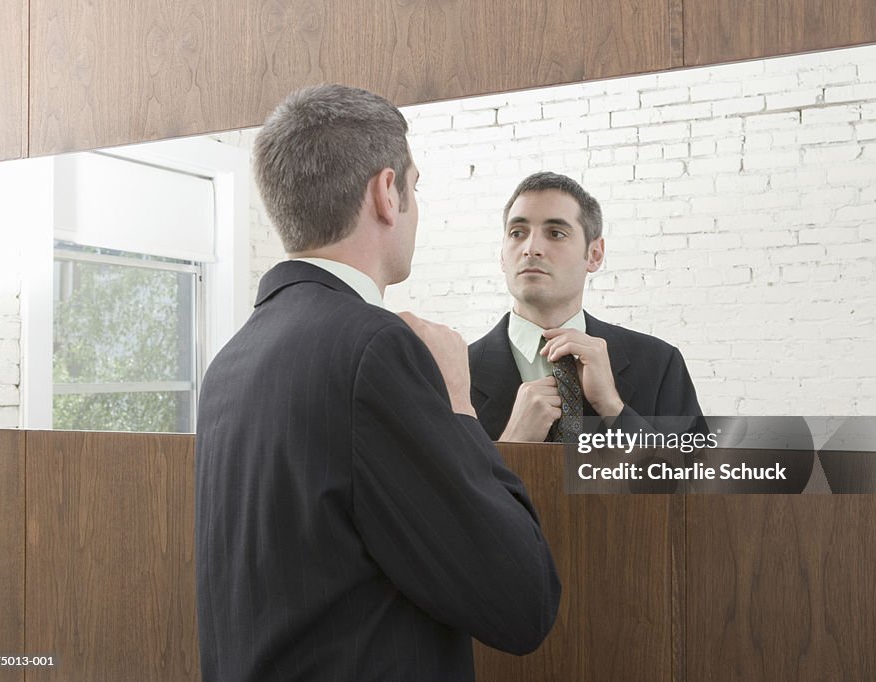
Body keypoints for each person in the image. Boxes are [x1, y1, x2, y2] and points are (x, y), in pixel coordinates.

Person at [195, 85, 560, 682]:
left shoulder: (233, 359)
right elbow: (523, 601)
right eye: (414, 187)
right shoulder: (376, 349)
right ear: (387, 192)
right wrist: (460, 408)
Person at [469, 172, 703, 442]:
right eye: (517, 233)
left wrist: (613, 408)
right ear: (502, 255)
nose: (531, 248)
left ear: (594, 255)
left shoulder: (660, 365)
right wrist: (512, 444)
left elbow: (695, 481)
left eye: (555, 233)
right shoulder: (452, 375)